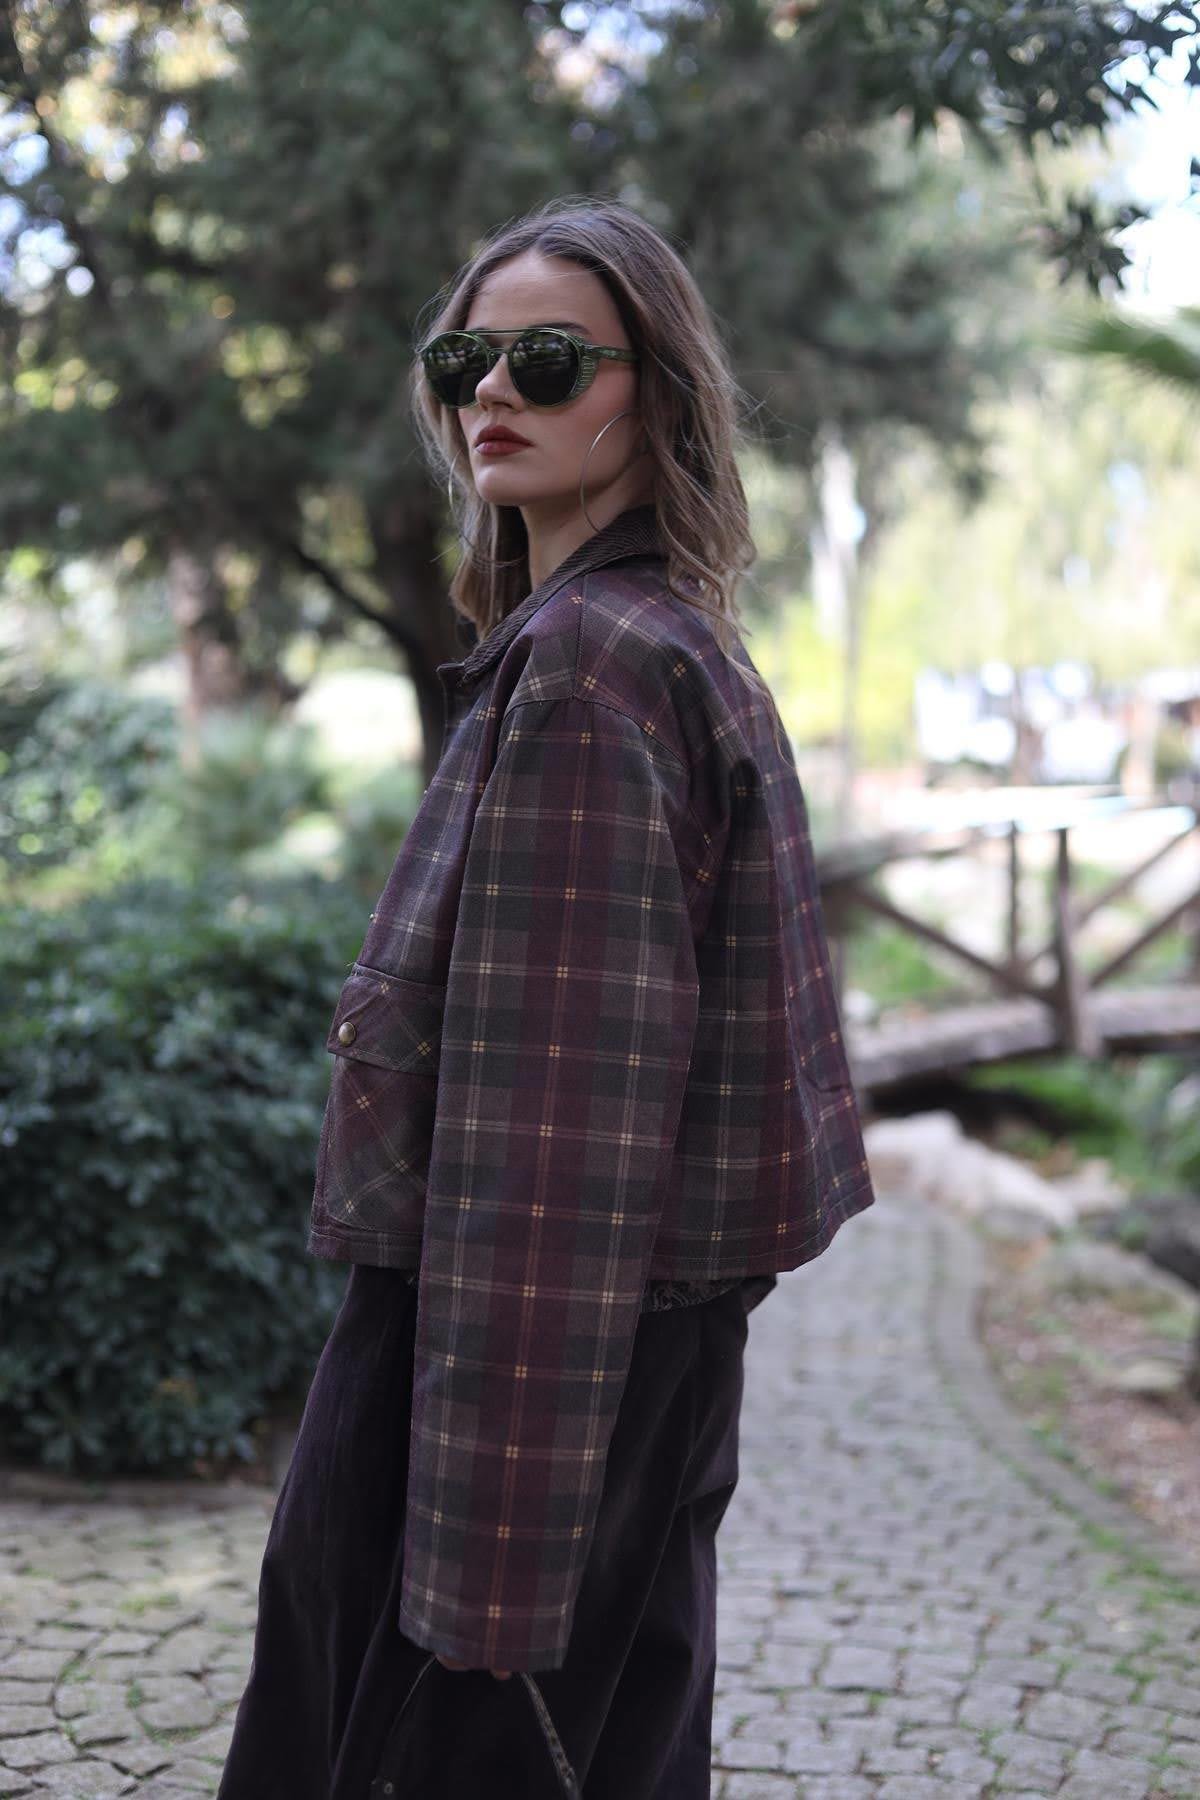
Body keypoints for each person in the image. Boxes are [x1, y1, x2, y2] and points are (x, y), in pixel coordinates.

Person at [216, 194, 876, 1799]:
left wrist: (484, 1583)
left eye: (552, 360)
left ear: (658, 394)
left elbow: (551, 1167)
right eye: (465, 362)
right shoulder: (656, 640)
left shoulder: (589, 673)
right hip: (626, 1372)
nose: (492, 393)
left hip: (523, 1371)